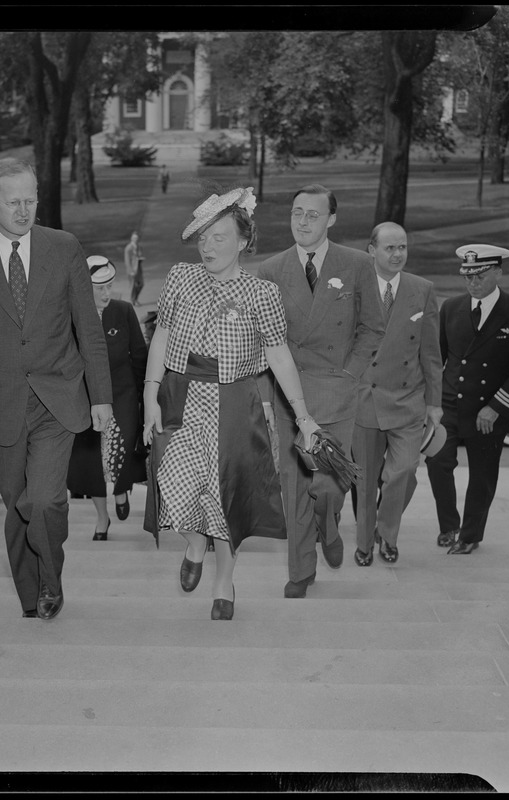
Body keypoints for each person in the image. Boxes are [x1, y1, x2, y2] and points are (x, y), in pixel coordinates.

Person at [0, 157, 112, 620]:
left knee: (45, 500)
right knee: (17, 505)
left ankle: (51, 581)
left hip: (59, 397)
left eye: (30, 199)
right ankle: (30, 597)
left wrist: (102, 397)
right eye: (13, 202)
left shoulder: (64, 247)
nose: (24, 210)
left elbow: (88, 327)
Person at [142, 186, 321, 621]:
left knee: (225, 500)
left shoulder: (262, 294)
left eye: (219, 237)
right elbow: (162, 336)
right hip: (179, 398)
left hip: (234, 402)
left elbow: (279, 356)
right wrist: (150, 394)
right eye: (203, 237)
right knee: (176, 486)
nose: (208, 246)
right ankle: (194, 543)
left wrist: (303, 415)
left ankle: (224, 580)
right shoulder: (180, 278)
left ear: (243, 242)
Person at [255, 184, 386, 598]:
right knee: (293, 486)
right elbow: (260, 341)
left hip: (335, 392)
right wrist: (264, 396)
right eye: (297, 213)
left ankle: (328, 526)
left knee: (328, 483)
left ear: (331, 219)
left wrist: (350, 373)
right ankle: (300, 571)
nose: (303, 222)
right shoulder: (271, 270)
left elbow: (373, 327)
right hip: (287, 394)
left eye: (313, 214)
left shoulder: (358, 264)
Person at [426, 244, 509, 554]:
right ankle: (449, 526)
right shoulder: (450, 308)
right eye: (468, 277)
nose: (473, 283)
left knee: (482, 474)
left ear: (498, 272)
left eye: (480, 276)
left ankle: (470, 535)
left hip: (489, 409)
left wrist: (496, 407)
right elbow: (437, 359)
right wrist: (432, 403)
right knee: (437, 463)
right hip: (450, 406)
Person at [350, 223, 442, 566]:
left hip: (408, 400)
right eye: (389, 248)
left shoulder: (423, 289)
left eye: (402, 247)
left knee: (403, 473)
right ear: (371, 250)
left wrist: (434, 404)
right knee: (364, 481)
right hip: (366, 399)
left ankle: (386, 535)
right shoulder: (355, 289)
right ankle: (363, 544)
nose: (397, 254)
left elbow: (431, 353)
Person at [67, 256, 148, 540]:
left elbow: (139, 356)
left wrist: (144, 398)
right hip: (87, 399)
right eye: (99, 288)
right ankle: (102, 518)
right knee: (90, 460)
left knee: (120, 448)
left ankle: (122, 489)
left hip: (123, 395)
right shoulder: (70, 317)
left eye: (109, 286)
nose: (106, 293)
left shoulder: (123, 312)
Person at [124, 231, 144, 306]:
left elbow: (139, 256)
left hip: (138, 269)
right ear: (131, 238)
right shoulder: (128, 248)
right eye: (134, 238)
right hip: (132, 269)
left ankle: (135, 298)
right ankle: (133, 300)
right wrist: (130, 271)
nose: (136, 239)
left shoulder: (139, 247)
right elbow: (127, 261)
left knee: (141, 284)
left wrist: (140, 259)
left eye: (137, 238)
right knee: (133, 285)